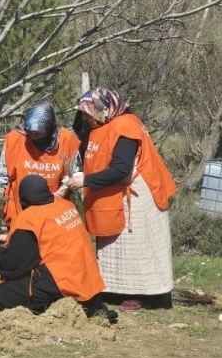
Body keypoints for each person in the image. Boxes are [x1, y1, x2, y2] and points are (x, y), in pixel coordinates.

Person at [63, 87, 177, 311]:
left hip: (139, 191)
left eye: (89, 113)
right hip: (114, 189)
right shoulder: (104, 125)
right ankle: (116, 288)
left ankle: (144, 294)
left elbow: (121, 169)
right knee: (117, 245)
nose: (86, 118)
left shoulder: (126, 126)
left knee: (137, 244)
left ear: (106, 109)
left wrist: (85, 180)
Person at [0, 175, 108, 317]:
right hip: (87, 279)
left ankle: (50, 305)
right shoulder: (64, 204)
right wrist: (9, 238)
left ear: (23, 199)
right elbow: (52, 235)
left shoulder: (29, 218)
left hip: (62, 282)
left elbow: (15, 263)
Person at [0, 102, 81, 224]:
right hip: (19, 212)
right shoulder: (15, 140)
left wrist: (61, 193)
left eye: (38, 133)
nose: (33, 136)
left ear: (49, 127)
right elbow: (2, 176)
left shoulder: (67, 140)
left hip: (55, 212)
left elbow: (74, 176)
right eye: (30, 132)